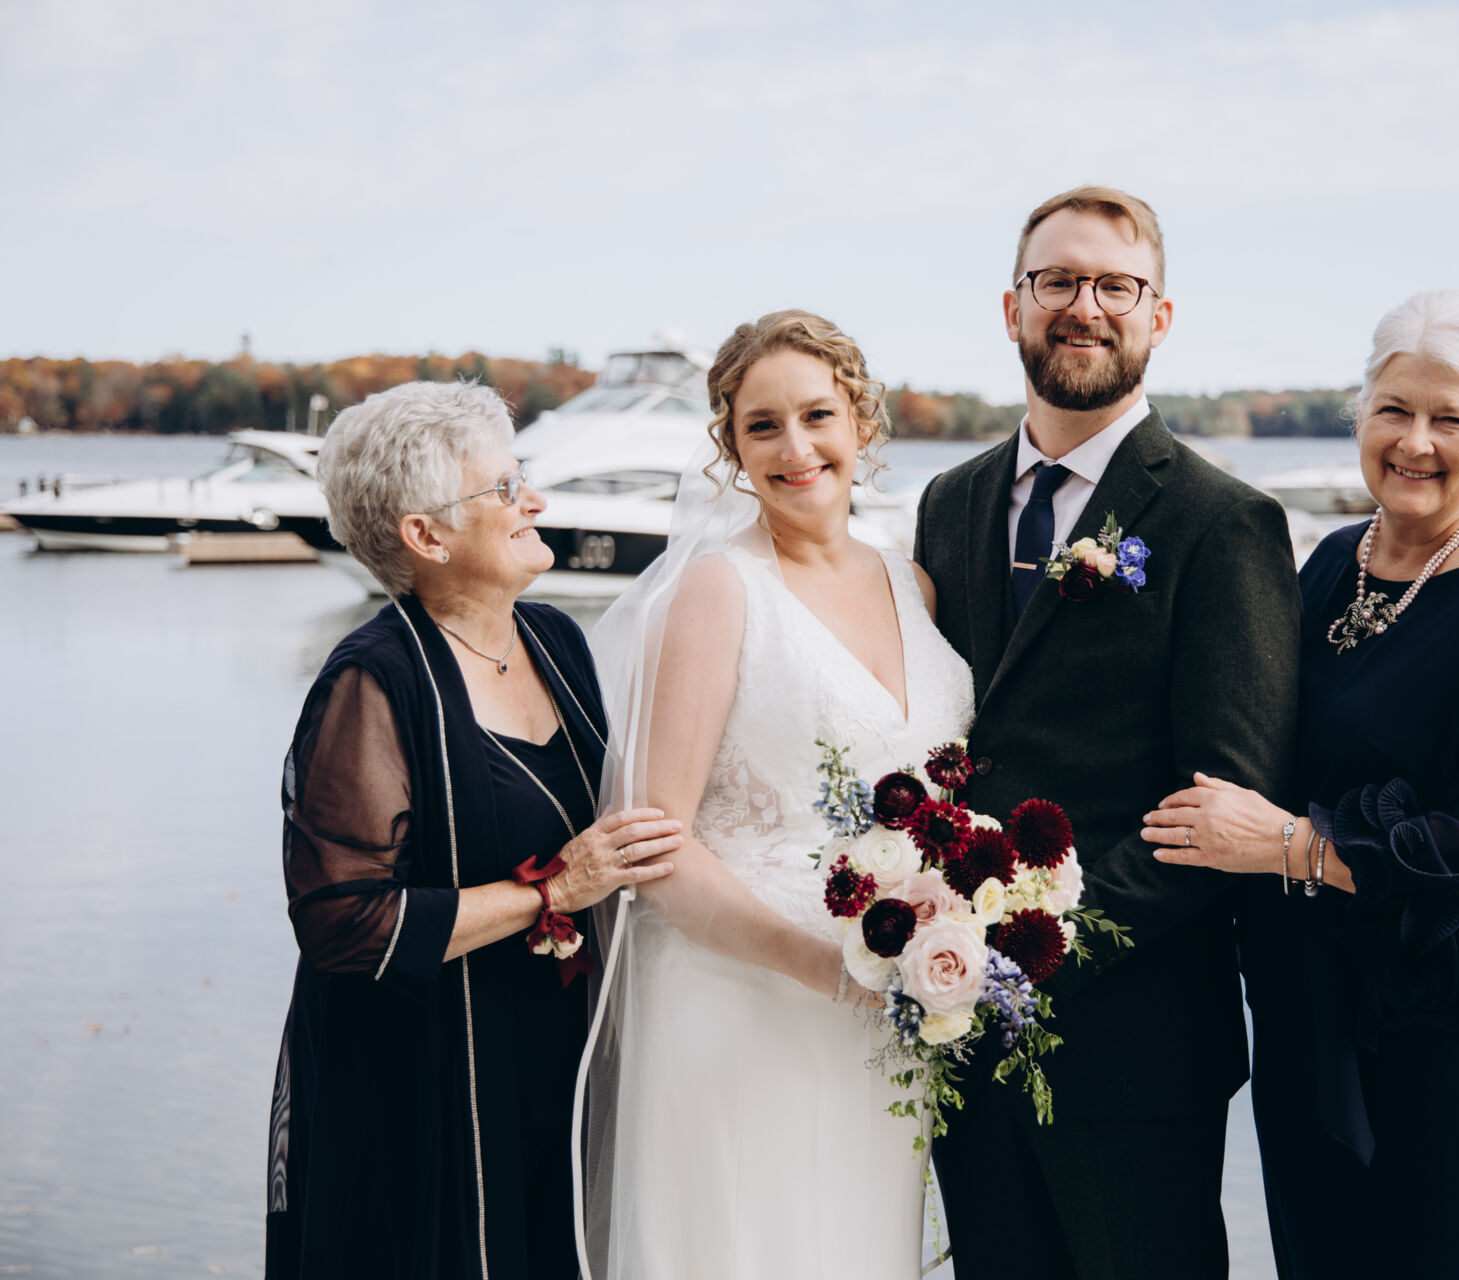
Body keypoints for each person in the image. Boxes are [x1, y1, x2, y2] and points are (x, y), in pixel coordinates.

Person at [1144, 290, 1459, 1278]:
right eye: (1393, 409)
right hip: (1313, 1035)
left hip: (1454, 1056)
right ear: (1360, 415)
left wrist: (1284, 844)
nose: (1415, 441)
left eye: (1451, 418)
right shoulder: (1329, 564)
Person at [913, 186, 1301, 1280]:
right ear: (1013, 306)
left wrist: (1027, 955)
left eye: (1116, 286)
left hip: (1136, 1046)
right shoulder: (948, 501)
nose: (1084, 306)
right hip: (957, 1025)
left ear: (1158, 317)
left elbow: (1223, 802)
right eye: (1057, 281)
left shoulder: (1222, 521)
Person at [575, 311, 975, 1279]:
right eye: (763, 426)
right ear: (732, 447)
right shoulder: (719, 590)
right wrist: (827, 968)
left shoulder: (913, 585)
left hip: (888, 1011)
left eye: (817, 415)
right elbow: (656, 846)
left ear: (862, 423)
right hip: (741, 1000)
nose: (796, 448)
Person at [265, 381, 684, 1279]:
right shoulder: (372, 682)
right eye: (504, 487)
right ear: (427, 536)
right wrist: (552, 892)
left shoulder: (556, 641)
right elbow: (345, 923)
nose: (535, 499)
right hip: (419, 1090)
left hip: (552, 1058)